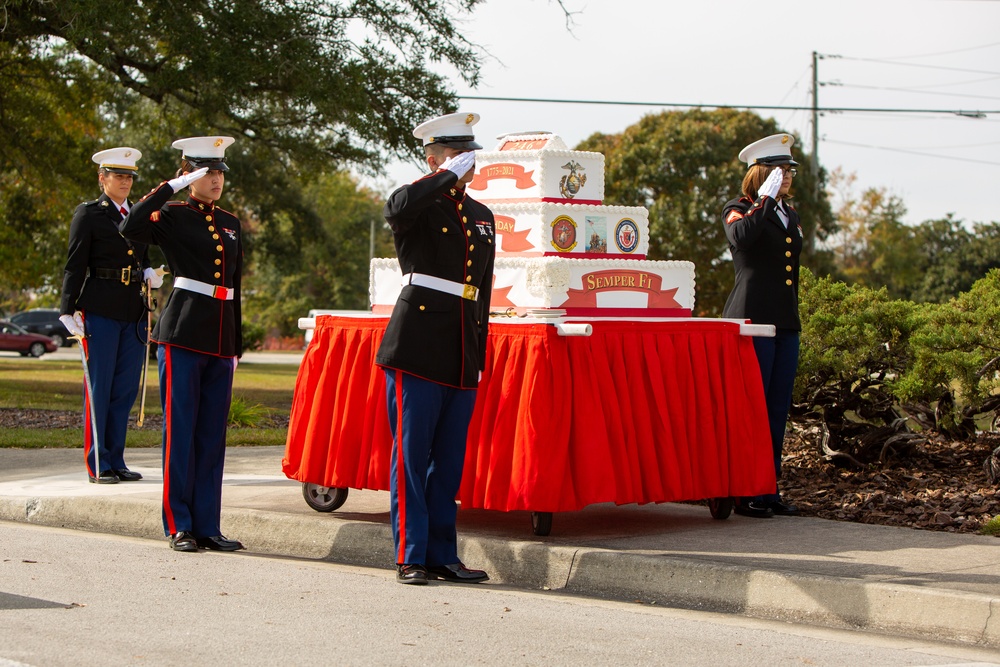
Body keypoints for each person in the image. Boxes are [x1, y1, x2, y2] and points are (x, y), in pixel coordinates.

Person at [375, 112, 496, 585]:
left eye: (471, 154)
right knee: (411, 454)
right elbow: (396, 205)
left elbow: (483, 289)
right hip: (418, 341)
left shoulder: (482, 215)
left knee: (448, 461)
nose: (468, 162)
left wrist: (479, 354)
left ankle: (443, 554)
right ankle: (410, 554)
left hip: (461, 345)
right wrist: (445, 174)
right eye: (456, 154)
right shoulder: (418, 203)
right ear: (433, 159)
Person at [119, 136, 245, 552]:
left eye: (220, 172)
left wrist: (236, 345)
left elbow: (235, 286)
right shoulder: (170, 213)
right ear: (189, 174)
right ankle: (180, 525)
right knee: (182, 431)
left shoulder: (230, 222)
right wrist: (169, 186)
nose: (216, 180)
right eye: (207, 172)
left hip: (220, 336)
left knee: (211, 436)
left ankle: (208, 525)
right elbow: (130, 224)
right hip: (183, 333)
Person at [59, 147, 163, 484]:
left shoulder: (137, 214)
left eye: (129, 176)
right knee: (99, 388)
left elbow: (140, 255)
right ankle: (97, 463)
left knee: (124, 391)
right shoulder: (89, 214)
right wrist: (66, 308)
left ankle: (115, 459)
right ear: (102, 178)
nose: (125, 181)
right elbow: (75, 264)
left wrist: (148, 272)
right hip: (100, 309)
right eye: (118, 175)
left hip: (132, 310)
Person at [721, 133, 803, 519]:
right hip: (752, 320)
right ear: (759, 173)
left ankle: (768, 489)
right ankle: (744, 491)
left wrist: (776, 203)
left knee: (775, 409)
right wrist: (765, 200)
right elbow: (741, 239)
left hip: (785, 322)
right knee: (751, 409)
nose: (785, 175)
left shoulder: (790, 214)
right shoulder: (738, 209)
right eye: (777, 170)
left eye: (788, 170)